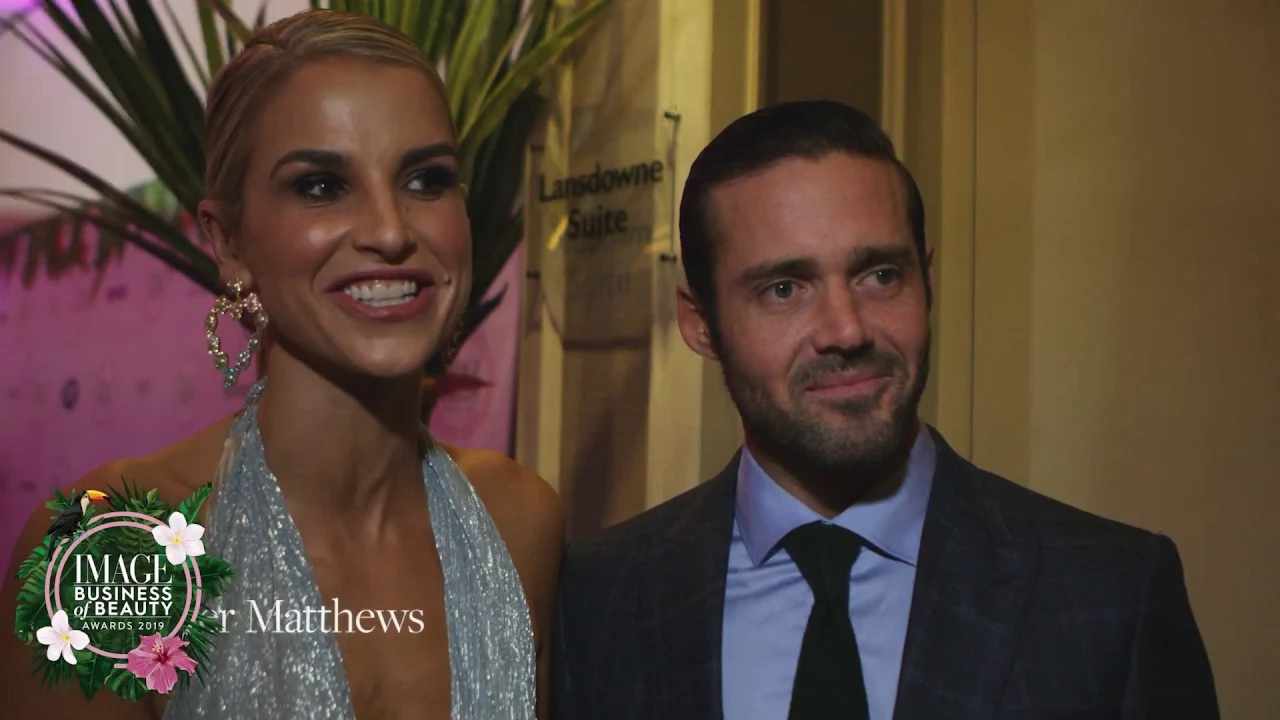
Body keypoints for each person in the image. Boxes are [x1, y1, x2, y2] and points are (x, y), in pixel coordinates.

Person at [551, 100, 1220, 719]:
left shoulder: (1112, 595)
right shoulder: (596, 599)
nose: (847, 330)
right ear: (700, 322)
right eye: (784, 289)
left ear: (928, 281)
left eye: (880, 275)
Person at [0, 10, 561, 720]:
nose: (391, 231)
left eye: (426, 180)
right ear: (229, 242)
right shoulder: (115, 555)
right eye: (322, 186)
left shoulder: (520, 521)